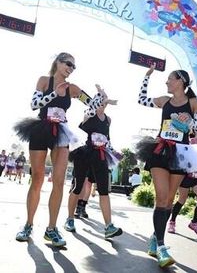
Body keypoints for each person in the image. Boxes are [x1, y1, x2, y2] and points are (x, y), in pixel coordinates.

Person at [14, 52, 103, 247]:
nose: (70, 68)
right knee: (37, 178)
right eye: (68, 64)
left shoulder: (73, 88)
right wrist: (55, 93)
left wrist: (100, 96)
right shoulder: (44, 81)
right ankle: (28, 224)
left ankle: (51, 229)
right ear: (57, 62)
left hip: (61, 132)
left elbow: (92, 105)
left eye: (73, 66)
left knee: (59, 180)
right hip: (40, 128)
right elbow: (34, 104)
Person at [136, 63, 197, 268]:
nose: (167, 81)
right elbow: (141, 99)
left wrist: (189, 123)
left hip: (181, 153)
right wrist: (146, 76)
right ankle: (161, 246)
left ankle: (154, 237)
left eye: (170, 78)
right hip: (160, 150)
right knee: (160, 197)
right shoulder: (165, 100)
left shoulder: (193, 102)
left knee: (168, 200)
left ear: (181, 82)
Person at [64, 86, 123, 239]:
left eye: (105, 102)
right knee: (78, 187)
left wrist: (114, 151)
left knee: (104, 190)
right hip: (84, 153)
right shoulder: (88, 115)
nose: (103, 105)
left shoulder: (108, 120)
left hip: (101, 155)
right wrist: (102, 96)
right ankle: (70, 219)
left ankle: (109, 226)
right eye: (101, 102)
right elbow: (91, 110)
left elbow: (106, 139)